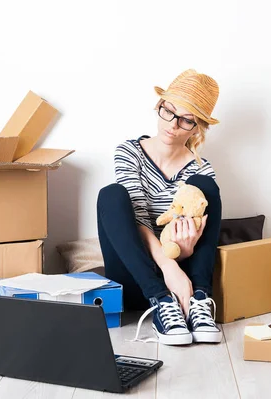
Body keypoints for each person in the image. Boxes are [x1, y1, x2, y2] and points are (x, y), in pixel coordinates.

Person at [96, 69, 223, 345]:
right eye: (168, 111)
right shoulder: (129, 152)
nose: (173, 125)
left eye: (186, 119)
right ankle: (161, 301)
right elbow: (138, 219)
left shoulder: (202, 170)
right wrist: (169, 268)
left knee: (207, 186)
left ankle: (200, 299)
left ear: (197, 127)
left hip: (184, 287)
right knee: (111, 195)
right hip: (139, 279)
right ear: (159, 106)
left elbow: (193, 239)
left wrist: (185, 251)